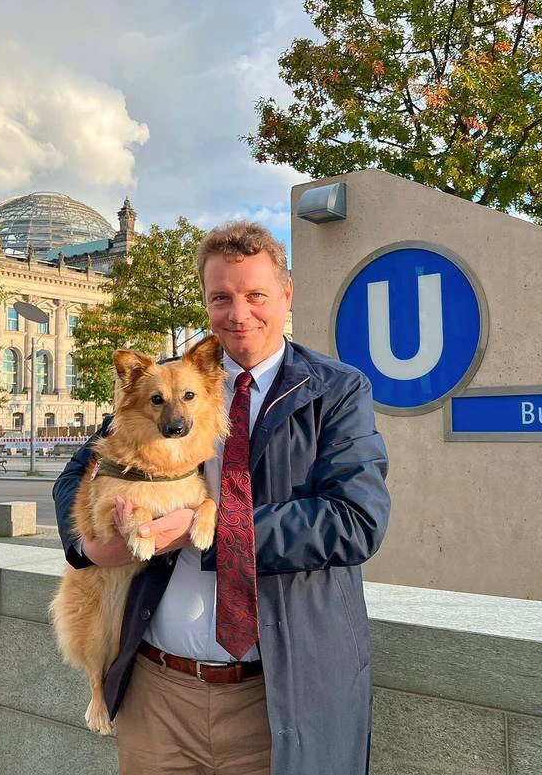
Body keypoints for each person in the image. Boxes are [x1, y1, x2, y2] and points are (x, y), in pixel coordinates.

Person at [53, 222, 391, 775]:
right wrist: (85, 547)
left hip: (282, 696)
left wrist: (206, 529)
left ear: (286, 293)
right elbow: (82, 468)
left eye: (256, 295)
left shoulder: (336, 390)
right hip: (159, 692)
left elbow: (354, 521)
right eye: (221, 298)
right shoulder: (172, 382)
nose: (239, 314)